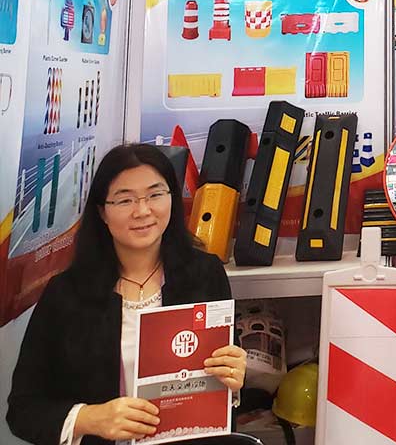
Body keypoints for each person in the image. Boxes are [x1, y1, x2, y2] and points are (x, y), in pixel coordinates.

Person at [7, 144, 248, 445]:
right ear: (102, 212)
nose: (143, 211)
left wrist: (234, 377)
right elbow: (23, 410)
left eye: (155, 195)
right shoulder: (66, 293)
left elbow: (224, 377)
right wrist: (90, 418)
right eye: (125, 200)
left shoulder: (205, 274)